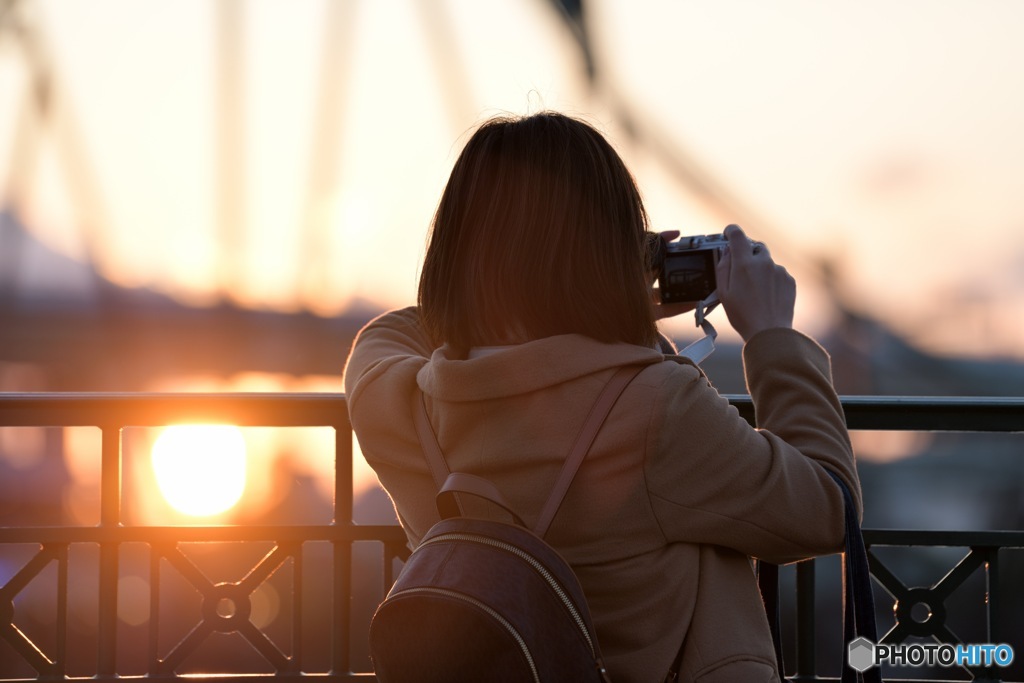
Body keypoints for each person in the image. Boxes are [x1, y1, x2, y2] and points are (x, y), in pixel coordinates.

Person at [343, 111, 860, 683]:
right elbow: (828, 507)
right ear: (604, 250)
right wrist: (771, 338)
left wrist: (533, 290)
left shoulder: (400, 402)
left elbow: (388, 334)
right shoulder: (657, 408)